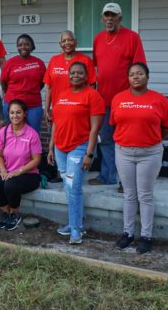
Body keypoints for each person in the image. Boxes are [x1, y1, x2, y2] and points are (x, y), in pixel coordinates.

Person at [111, 62, 168, 254]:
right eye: (132, 74)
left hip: (150, 153)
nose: (136, 77)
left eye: (140, 73)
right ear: (128, 78)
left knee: (145, 195)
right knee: (129, 194)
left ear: (147, 76)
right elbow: (115, 123)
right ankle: (127, 233)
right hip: (124, 152)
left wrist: (153, 139)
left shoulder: (159, 100)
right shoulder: (118, 99)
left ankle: (146, 236)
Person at [90, 3, 146, 191]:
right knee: (105, 139)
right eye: (106, 15)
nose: (109, 19)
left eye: (113, 16)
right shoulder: (98, 39)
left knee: (126, 141)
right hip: (104, 100)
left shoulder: (132, 38)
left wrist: (137, 96)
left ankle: (126, 181)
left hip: (126, 100)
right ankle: (107, 176)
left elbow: (139, 69)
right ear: (102, 18)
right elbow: (96, 67)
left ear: (120, 18)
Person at [47, 62, 104, 244]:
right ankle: (76, 221)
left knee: (73, 187)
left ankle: (75, 229)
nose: (75, 75)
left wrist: (89, 154)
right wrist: (50, 147)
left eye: (80, 73)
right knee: (68, 186)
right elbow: (56, 123)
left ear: (86, 76)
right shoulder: (62, 95)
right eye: (72, 73)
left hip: (80, 146)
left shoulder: (92, 95)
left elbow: (95, 128)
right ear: (68, 75)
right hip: (60, 147)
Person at [0, 100, 42, 231]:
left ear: (25, 114)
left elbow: (36, 160)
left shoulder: (32, 134)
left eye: (18, 112)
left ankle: (14, 214)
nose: (15, 116)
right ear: (8, 114)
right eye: (12, 112)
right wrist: (2, 170)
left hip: (28, 174)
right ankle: (6, 213)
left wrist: (18, 172)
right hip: (7, 171)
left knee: (10, 184)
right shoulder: (3, 132)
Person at [44, 30, 96, 125]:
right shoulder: (53, 60)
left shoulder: (85, 60)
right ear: (60, 44)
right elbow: (49, 88)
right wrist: (47, 109)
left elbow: (92, 86)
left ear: (75, 42)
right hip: (58, 110)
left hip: (79, 112)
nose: (67, 43)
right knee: (57, 137)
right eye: (64, 41)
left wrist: (90, 110)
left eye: (70, 40)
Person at [0, 34, 46, 133]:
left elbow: (42, 83)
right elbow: (3, 82)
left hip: (33, 105)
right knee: (12, 132)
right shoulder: (10, 63)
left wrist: (31, 90)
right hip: (12, 104)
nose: (23, 47)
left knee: (33, 133)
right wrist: (10, 92)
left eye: (26, 44)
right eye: (20, 45)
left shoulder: (39, 63)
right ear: (17, 46)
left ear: (31, 46)